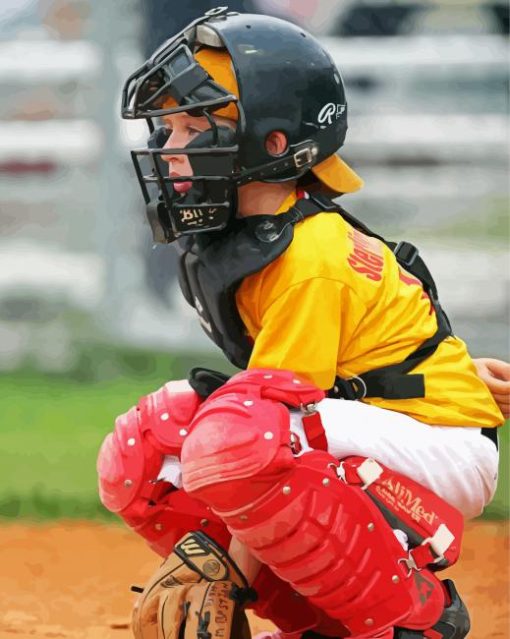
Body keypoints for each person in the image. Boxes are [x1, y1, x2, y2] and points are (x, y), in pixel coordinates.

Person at [97, 8, 509, 639]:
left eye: (194, 128)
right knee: (145, 448)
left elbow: (266, 427)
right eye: (167, 129)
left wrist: (229, 571)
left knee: (238, 431)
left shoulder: (307, 256)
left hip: (440, 446)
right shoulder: (262, 238)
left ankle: (409, 618)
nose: (169, 150)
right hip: (392, 423)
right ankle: (319, 619)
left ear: (274, 141)